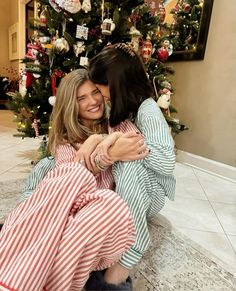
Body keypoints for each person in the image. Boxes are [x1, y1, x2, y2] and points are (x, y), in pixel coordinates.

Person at [0, 69, 148, 291]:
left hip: (99, 217)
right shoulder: (65, 140)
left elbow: (137, 147)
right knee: (71, 178)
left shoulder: (118, 124)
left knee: (101, 200)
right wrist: (107, 152)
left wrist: (98, 141)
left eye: (96, 92)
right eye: (82, 98)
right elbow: (70, 188)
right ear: (72, 105)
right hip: (71, 213)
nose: (93, 101)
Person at [85, 42, 176, 289]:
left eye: (102, 90)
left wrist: (127, 147)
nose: (98, 95)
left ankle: (132, 245)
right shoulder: (118, 107)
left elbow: (167, 163)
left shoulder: (147, 110)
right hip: (127, 192)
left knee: (128, 163)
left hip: (151, 193)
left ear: (118, 84)